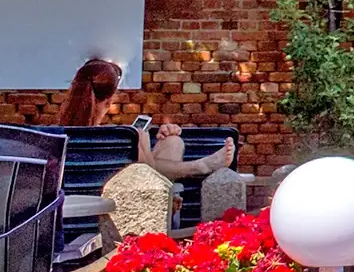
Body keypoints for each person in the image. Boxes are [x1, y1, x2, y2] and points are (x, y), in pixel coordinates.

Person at [56, 58, 236, 181]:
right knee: (154, 154)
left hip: (68, 212)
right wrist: (141, 139)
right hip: (120, 212)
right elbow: (150, 184)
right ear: (110, 101)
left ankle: (200, 164)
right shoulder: (127, 138)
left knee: (172, 142)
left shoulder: (53, 137)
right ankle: (200, 166)